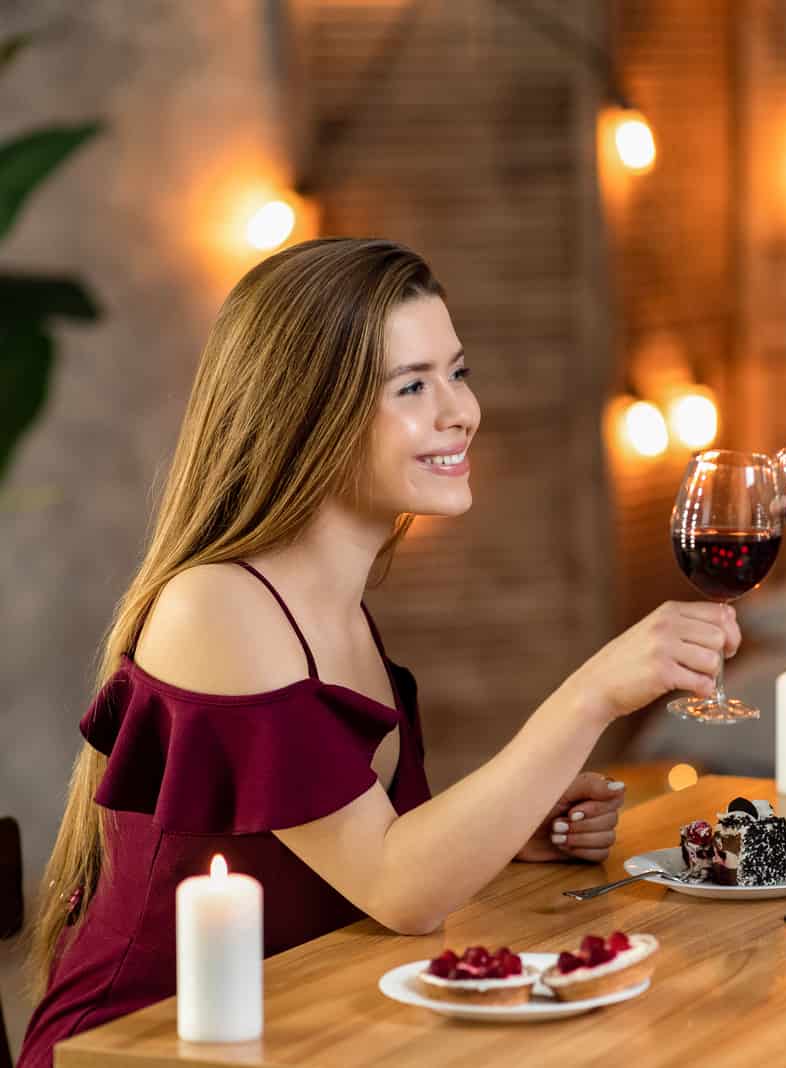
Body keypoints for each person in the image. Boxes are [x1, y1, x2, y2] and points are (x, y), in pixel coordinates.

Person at [19, 239, 738, 1066]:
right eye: (411, 386)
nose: (459, 411)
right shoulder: (217, 606)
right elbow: (400, 891)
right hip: (139, 1053)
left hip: (300, 1032)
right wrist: (593, 695)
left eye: (457, 373)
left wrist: (508, 824)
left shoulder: (339, 608)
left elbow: (361, 855)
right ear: (307, 414)